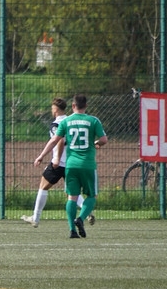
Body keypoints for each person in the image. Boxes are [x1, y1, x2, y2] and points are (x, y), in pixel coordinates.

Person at [35, 93, 107, 239]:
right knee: (91, 195)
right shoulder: (93, 120)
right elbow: (104, 140)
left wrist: (41, 156)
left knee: (72, 197)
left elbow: (55, 141)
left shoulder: (66, 122)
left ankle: (72, 230)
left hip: (71, 164)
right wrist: (97, 143)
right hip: (87, 164)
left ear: (73, 105)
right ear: (86, 106)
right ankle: (80, 219)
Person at [21, 98, 86, 228]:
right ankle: (86, 211)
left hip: (59, 162)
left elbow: (59, 140)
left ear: (55, 109)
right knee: (72, 192)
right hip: (73, 162)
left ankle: (35, 218)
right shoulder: (71, 121)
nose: (51, 110)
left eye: (52, 108)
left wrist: (54, 157)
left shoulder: (56, 124)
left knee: (43, 186)